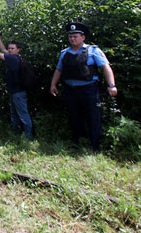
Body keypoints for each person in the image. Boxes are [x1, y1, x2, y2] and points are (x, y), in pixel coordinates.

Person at [50, 22, 117, 151]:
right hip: (70, 90)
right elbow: (58, 70)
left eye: (75, 36)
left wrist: (112, 85)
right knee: (74, 116)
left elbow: (106, 67)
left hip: (89, 90)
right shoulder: (64, 53)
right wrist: (53, 84)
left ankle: (95, 146)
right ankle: (77, 143)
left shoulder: (93, 51)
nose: (72, 39)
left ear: (83, 37)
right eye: (70, 37)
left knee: (93, 117)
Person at [0, 33, 33, 139]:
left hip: (18, 93)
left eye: (12, 48)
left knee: (22, 114)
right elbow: (3, 50)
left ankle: (28, 136)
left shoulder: (12, 59)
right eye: (9, 48)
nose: (10, 50)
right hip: (15, 91)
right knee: (14, 113)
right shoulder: (16, 58)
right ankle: (14, 133)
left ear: (18, 50)